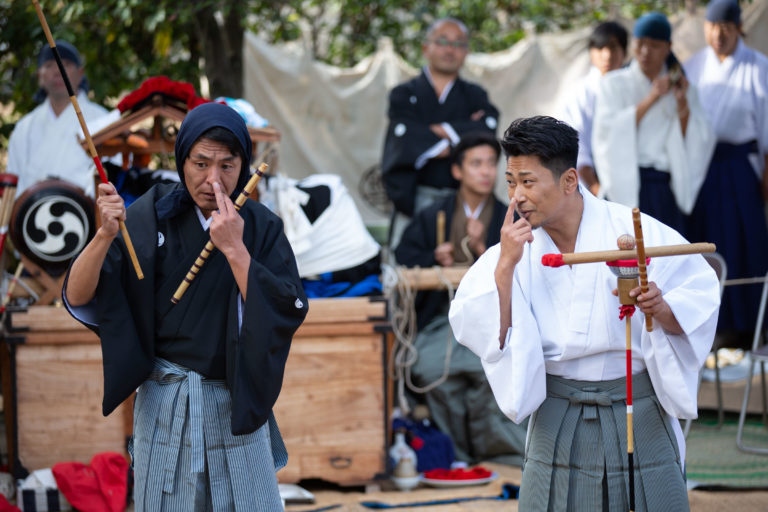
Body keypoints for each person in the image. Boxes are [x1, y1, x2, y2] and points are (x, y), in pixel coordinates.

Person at [449, 116, 720, 510]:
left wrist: (660, 308)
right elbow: (480, 326)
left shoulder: (633, 229)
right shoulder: (512, 249)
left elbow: (698, 299)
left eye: (528, 182)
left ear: (570, 180)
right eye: (510, 182)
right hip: (557, 409)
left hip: (635, 403)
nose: (517, 196)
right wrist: (505, 266)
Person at [63, 103, 309, 510]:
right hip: (166, 401)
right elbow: (79, 295)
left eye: (228, 166)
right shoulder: (150, 214)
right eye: (200, 163)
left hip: (235, 402)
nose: (213, 180)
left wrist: (236, 251)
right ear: (182, 160)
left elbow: (287, 308)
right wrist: (104, 235)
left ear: (244, 165)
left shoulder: (261, 226)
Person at [395, 132, 526, 465]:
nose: (485, 172)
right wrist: (432, 256)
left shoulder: (508, 216)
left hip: (494, 320)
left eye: (491, 164)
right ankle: (458, 455)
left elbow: (527, 266)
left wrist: (484, 251)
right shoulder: (433, 213)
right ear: (457, 171)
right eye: (476, 164)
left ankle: (493, 453)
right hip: (440, 318)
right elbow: (403, 256)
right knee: (430, 368)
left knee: (489, 372)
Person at [684, 0, 768, 337]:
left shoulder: (758, 67)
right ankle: (714, 328)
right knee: (709, 243)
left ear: (738, 29)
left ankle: (753, 326)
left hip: (741, 168)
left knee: (748, 242)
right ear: (705, 28)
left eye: (727, 28)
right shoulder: (693, 67)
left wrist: (764, 181)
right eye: (713, 27)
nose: (719, 35)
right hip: (703, 169)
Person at [592, 12, 715, 234]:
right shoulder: (613, 83)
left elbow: (699, 138)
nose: (645, 52)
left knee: (665, 257)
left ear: (668, 47)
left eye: (654, 45)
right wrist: (651, 98)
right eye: (640, 44)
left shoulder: (684, 88)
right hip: (626, 183)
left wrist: (682, 105)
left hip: (662, 187)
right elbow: (607, 134)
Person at [381, 17, 499, 247]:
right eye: (443, 41)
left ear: (466, 52)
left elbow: (487, 129)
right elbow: (403, 140)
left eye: (459, 44)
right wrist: (462, 135)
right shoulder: (404, 94)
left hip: (461, 201)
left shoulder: (475, 95)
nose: (450, 49)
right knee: (405, 267)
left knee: (461, 265)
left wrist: (440, 131)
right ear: (426, 48)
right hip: (415, 197)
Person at [7, 40, 108, 198]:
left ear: (80, 73)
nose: (57, 70)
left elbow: (112, 179)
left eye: (65, 64)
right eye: (49, 65)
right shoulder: (24, 127)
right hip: (30, 216)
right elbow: (12, 185)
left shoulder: (103, 121)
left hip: (88, 216)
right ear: (40, 75)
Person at [560, 21, 628, 195]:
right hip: (590, 186)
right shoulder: (579, 95)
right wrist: (595, 187)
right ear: (591, 53)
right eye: (600, 48)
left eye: (613, 48)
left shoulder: (633, 92)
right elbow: (576, 146)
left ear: (624, 53)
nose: (607, 55)